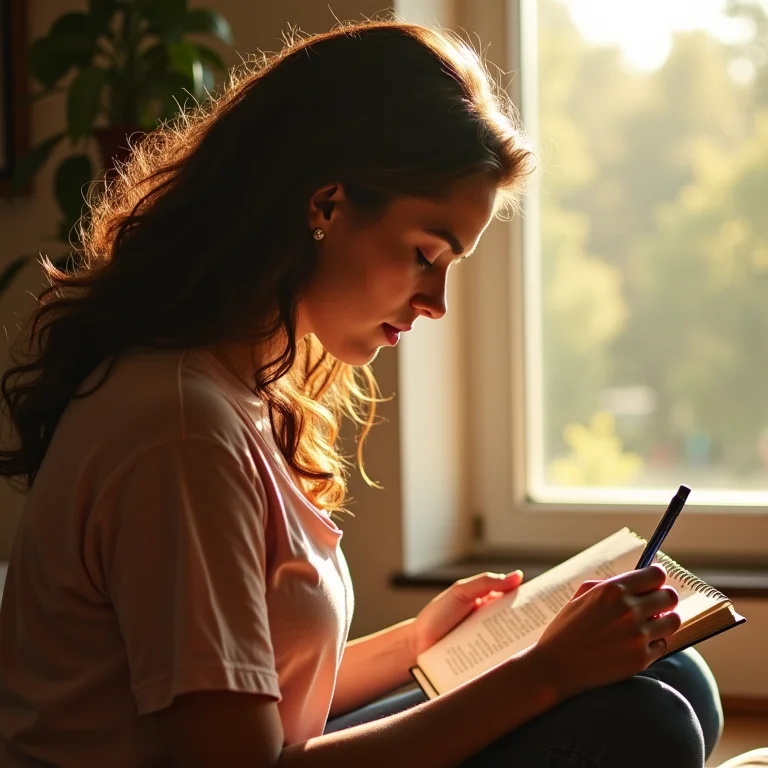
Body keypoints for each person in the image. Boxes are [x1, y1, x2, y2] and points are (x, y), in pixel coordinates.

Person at [0, 19, 725, 768]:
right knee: (646, 721)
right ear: (324, 205)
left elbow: (257, 696)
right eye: (425, 255)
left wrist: (420, 642)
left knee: (676, 673)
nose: (436, 302)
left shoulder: (225, 390)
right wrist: (545, 672)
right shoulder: (182, 432)